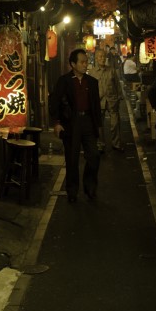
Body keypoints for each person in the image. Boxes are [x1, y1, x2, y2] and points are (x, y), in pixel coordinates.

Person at [49, 48, 102, 203]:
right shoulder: (64, 81)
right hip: (71, 123)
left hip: (88, 122)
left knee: (94, 156)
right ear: (73, 64)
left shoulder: (92, 82)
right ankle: (72, 191)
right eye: (82, 62)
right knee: (71, 159)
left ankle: (90, 187)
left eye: (87, 61)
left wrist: (98, 126)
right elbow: (55, 102)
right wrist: (57, 123)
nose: (86, 65)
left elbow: (96, 106)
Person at [91, 48, 124, 152]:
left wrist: (119, 97)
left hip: (112, 100)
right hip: (98, 101)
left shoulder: (111, 70)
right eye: (100, 56)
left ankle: (116, 144)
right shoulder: (92, 73)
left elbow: (117, 85)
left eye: (104, 56)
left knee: (115, 124)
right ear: (96, 58)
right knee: (99, 125)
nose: (102, 58)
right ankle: (100, 144)